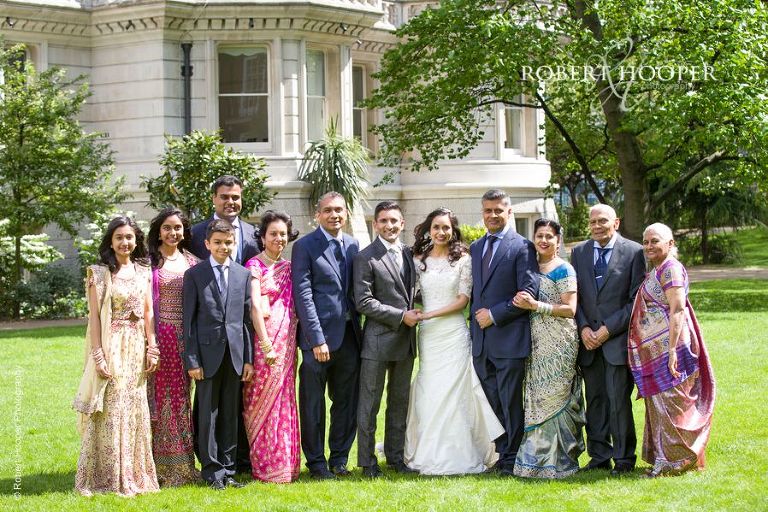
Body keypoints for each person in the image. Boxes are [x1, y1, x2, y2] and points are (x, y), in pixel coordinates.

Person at [404, 207, 504, 475]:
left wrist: (431, 314)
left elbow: (463, 300)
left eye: (446, 227)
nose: (441, 232)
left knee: (457, 389)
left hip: (452, 331)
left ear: (453, 230)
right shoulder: (417, 260)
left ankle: (462, 450)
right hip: (429, 335)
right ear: (428, 229)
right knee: (430, 388)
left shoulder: (463, 260)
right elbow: (410, 294)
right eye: (436, 227)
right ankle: (427, 448)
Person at [73, 216, 160, 497]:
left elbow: (148, 313)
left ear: (137, 241)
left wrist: (152, 347)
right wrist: (98, 356)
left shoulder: (144, 270)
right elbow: (95, 319)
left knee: (134, 406)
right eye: (119, 237)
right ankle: (105, 476)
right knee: (111, 407)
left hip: (136, 346)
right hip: (112, 345)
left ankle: (135, 474)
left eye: (130, 237)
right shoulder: (99, 274)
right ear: (111, 241)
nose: (125, 242)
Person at [628, 223, 715, 478]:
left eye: (655, 241)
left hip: (671, 349)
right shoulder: (658, 270)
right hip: (657, 351)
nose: (648, 246)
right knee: (661, 405)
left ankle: (677, 461)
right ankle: (665, 460)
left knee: (673, 406)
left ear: (670, 243)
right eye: (645, 242)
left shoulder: (671, 270)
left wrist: (674, 349)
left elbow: (677, 310)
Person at [188, 175, 258, 473]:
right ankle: (211, 466)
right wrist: (191, 358)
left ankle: (230, 468)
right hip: (206, 352)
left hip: (235, 353)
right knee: (208, 413)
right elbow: (189, 320)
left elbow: (245, 318)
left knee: (231, 412)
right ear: (207, 243)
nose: (224, 246)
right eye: (217, 242)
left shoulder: (243, 271)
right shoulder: (196, 270)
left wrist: (249, 358)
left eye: (229, 242)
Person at [571, 204, 645, 475]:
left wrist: (607, 330)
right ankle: (599, 456)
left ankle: (624, 459)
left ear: (616, 222)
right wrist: (583, 329)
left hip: (616, 341)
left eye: (603, 221)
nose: (597, 226)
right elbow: (573, 296)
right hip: (588, 342)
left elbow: (635, 300)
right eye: (593, 222)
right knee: (596, 401)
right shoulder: (579, 252)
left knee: (618, 402)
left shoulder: (634, 252)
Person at [292, 191, 362, 480]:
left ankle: (340, 459)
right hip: (317, 340)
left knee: (346, 402)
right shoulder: (305, 246)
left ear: (346, 214)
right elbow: (303, 294)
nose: (335, 215)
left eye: (340, 210)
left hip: (349, 336)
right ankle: (317, 463)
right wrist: (316, 339)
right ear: (317, 215)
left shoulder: (353, 245)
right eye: (328, 210)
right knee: (313, 403)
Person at [469, 189, 538, 476]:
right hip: (481, 342)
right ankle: (501, 453)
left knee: (510, 401)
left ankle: (513, 458)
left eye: (499, 210)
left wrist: (495, 315)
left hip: (509, 338)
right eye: (488, 210)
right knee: (492, 401)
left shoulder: (522, 247)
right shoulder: (475, 248)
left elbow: (529, 291)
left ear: (509, 211)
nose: (493, 215)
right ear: (482, 213)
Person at [511, 219, 585, 478]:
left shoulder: (564, 269)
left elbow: (570, 310)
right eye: (539, 235)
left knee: (556, 397)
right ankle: (534, 461)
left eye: (549, 236)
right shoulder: (529, 268)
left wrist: (536, 306)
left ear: (558, 240)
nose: (544, 240)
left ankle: (559, 461)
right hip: (535, 341)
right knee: (536, 397)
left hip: (560, 341)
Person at [353, 201, 420, 478]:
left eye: (394, 221)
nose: (389, 226)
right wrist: (401, 316)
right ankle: (367, 462)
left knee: (399, 402)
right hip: (378, 341)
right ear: (375, 224)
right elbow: (363, 302)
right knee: (370, 404)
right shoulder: (365, 257)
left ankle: (395, 457)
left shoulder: (408, 253)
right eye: (384, 221)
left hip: (405, 342)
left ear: (402, 223)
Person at [243, 211, 301, 483]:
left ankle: (285, 465)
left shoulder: (290, 267)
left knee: (284, 400)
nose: (278, 238)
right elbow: (254, 305)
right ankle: (265, 466)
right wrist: (265, 343)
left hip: (288, 342)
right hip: (264, 343)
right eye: (273, 234)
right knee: (259, 401)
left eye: (282, 234)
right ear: (263, 237)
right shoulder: (254, 265)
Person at [145, 208, 200, 486]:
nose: (172, 233)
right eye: (167, 227)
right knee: (157, 400)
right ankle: (155, 466)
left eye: (177, 228)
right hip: (157, 337)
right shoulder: (147, 262)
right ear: (158, 230)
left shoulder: (192, 262)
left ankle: (182, 466)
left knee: (181, 400)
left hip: (185, 340)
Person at [189, 175, 259, 265]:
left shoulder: (254, 234)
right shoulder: (195, 234)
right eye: (224, 197)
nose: (230, 202)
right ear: (214, 198)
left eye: (235, 197)